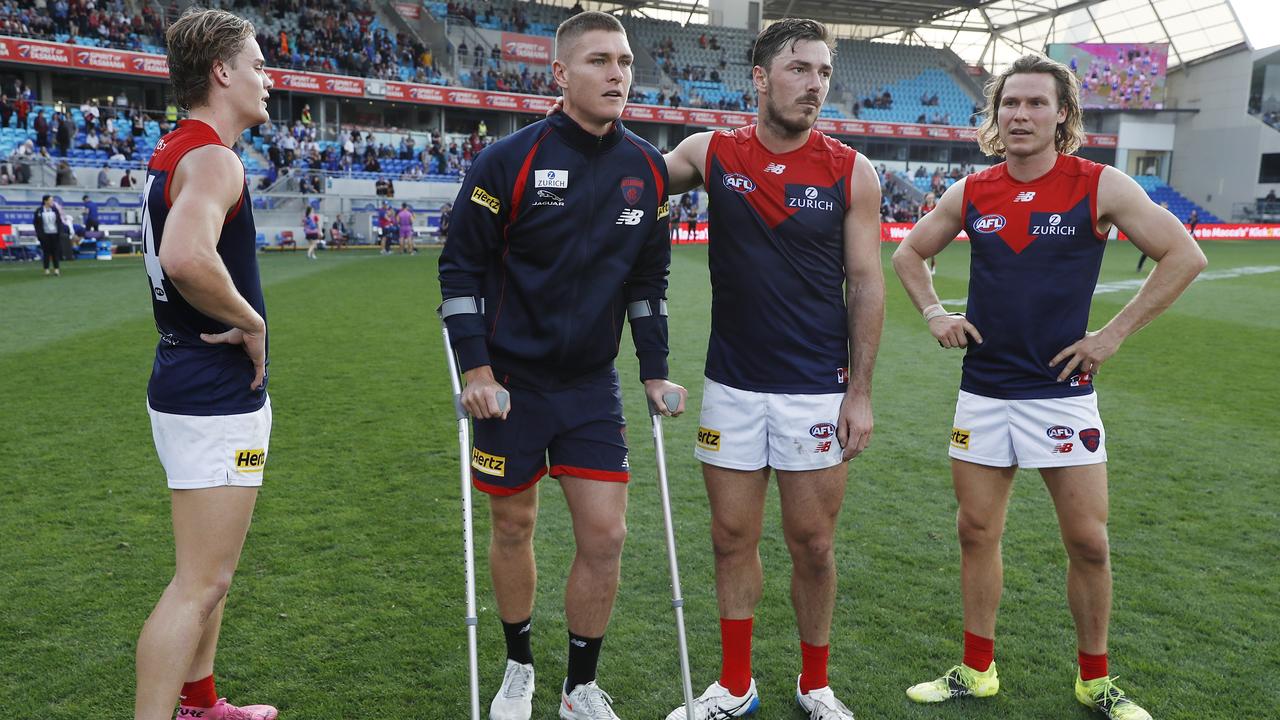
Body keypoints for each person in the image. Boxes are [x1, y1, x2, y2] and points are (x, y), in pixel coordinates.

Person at [890, 53, 1206, 720]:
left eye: (1036, 103)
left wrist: (1112, 335)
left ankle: (1095, 681)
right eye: (1011, 103)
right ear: (995, 114)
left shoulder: (1100, 185)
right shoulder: (973, 192)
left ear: (1062, 113)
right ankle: (977, 670)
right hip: (985, 391)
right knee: (977, 531)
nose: (1021, 115)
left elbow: (1185, 254)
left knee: (1088, 542)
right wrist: (934, 312)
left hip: (1063, 393)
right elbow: (908, 252)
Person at [439, 12, 686, 720]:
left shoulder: (646, 169)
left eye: (627, 61)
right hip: (510, 385)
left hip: (589, 386)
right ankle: (518, 666)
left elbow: (648, 284)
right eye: (601, 60)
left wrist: (655, 370)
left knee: (606, 536)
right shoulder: (506, 160)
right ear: (560, 74)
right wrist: (476, 372)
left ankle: (579, 687)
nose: (618, 75)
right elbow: (459, 271)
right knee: (514, 527)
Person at [653, 18, 883, 720]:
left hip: (817, 389)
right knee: (731, 540)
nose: (814, 85)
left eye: (822, 72)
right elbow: (628, 189)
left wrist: (861, 394)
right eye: (799, 69)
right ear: (759, 77)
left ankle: (815, 684)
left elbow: (867, 283)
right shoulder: (713, 152)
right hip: (730, 384)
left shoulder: (851, 169)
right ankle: (735, 684)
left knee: (813, 544)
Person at [133, 9, 279, 720]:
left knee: (210, 579)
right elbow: (185, 256)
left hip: (188, 381)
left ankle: (200, 704)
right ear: (222, 72)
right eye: (257, 65)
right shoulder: (215, 157)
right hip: (211, 392)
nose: (267, 79)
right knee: (199, 583)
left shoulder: (178, 147)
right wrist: (250, 321)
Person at [34, 194, 65, 276]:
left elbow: (59, 221)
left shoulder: (54, 210)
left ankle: (56, 269)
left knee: (55, 252)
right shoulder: (39, 211)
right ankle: (46, 269)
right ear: (45, 201)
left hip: (54, 234)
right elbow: (36, 223)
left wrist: (60, 232)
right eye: (50, 200)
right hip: (45, 235)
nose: (52, 202)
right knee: (46, 252)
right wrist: (40, 234)